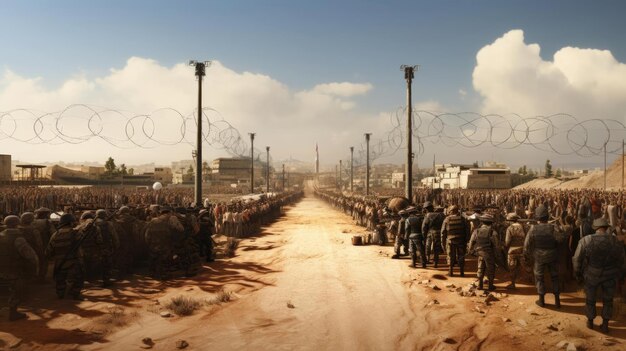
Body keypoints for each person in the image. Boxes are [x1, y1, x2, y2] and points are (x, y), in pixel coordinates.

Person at [573, 217, 626, 333]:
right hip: (610, 275)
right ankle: (605, 324)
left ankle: (590, 322)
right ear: (606, 228)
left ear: (595, 228)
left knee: (590, 299)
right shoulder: (615, 241)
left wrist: (577, 274)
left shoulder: (586, 240)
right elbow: (622, 260)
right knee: (608, 300)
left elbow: (577, 259)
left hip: (592, 274)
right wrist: (621, 276)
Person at [0, 215, 39, 321]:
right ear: (17, 224)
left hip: (2, 269)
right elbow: (30, 255)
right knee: (17, 291)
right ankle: (13, 313)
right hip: (14, 269)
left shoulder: (1, 235)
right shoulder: (18, 238)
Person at [524, 204, 560, 308]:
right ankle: (557, 301)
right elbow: (560, 239)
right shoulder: (554, 227)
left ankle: (542, 301)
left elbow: (526, 245)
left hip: (539, 256)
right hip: (552, 255)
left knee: (539, 278)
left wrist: (527, 257)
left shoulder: (533, 229)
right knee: (555, 277)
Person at [46, 213, 84, 300]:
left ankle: (60, 293)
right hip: (73, 261)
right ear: (70, 223)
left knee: (60, 278)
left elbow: (49, 250)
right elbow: (81, 244)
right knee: (78, 277)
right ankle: (75, 294)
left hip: (60, 261)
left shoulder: (55, 234)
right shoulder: (75, 233)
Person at [468, 214, 499, 290]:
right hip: (489, 253)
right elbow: (496, 245)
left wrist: (470, 250)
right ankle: (490, 285)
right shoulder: (493, 232)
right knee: (490, 268)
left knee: (480, 267)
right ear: (491, 223)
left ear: (482, 222)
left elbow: (471, 242)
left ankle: (480, 285)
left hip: (479, 252)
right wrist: (497, 254)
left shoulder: (476, 231)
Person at [94, 209, 119, 287]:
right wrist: (116, 246)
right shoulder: (108, 224)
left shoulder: (92, 223)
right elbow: (114, 236)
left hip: (94, 248)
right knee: (107, 264)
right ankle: (106, 280)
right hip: (106, 247)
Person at [441, 205, 468, 276]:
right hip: (461, 240)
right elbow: (467, 231)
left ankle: (451, 271)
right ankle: (462, 272)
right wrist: (466, 240)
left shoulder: (447, 219)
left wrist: (443, 242)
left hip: (450, 241)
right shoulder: (462, 219)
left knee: (450, 255)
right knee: (461, 255)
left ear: (451, 211)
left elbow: (443, 232)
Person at [504, 213, 526, 289]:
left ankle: (513, 284)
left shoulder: (509, 228)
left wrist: (505, 247)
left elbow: (507, 241)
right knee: (522, 266)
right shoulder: (522, 226)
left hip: (512, 250)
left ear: (510, 221)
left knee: (512, 267)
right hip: (522, 248)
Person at [422, 202, 445, 267]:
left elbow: (424, 226)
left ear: (426, 209)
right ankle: (435, 262)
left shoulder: (427, 215)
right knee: (436, 248)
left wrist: (424, 235)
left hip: (430, 233)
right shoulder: (441, 215)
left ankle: (427, 259)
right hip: (438, 233)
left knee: (428, 246)